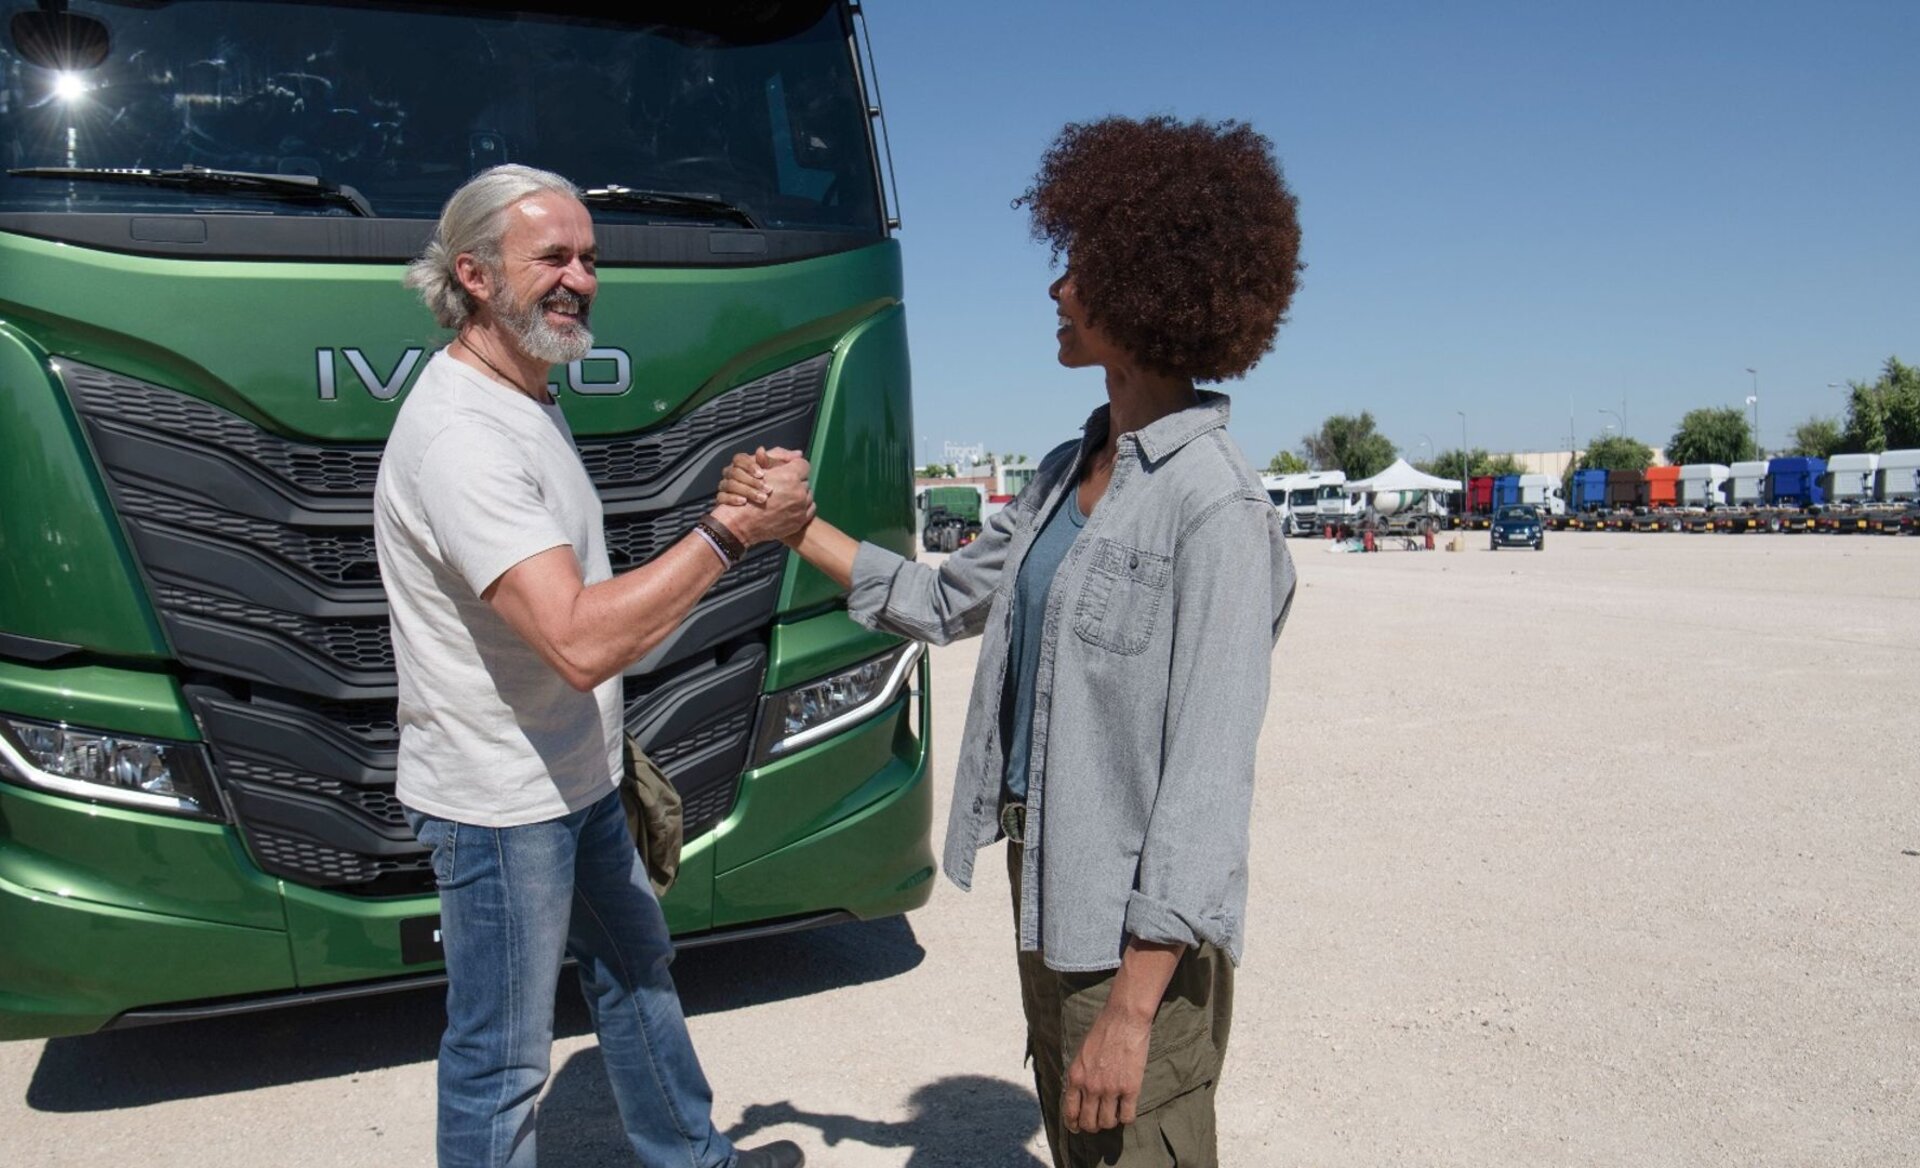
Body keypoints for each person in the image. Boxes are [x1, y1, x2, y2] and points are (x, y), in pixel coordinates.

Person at [720, 116, 1302, 1166]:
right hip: (1051, 894)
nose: (1056, 288)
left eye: (1080, 268)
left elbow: (1206, 789)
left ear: (1149, 289)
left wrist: (1132, 1010)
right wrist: (796, 527)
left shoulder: (1216, 510)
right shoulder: (1065, 471)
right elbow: (942, 601)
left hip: (1136, 947)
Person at [374, 164, 808, 1168]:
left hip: (577, 777)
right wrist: (732, 530)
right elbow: (576, 640)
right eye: (554, 258)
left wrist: (722, 507)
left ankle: (693, 1157)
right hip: (500, 803)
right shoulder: (463, 436)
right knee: (500, 1061)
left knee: (639, 974)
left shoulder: (527, 392)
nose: (581, 279)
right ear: (475, 275)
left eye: (590, 259)